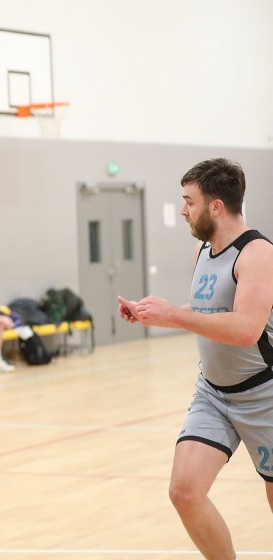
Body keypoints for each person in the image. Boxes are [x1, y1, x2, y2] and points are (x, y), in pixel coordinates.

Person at [117, 158, 273, 560]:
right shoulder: (202, 251)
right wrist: (153, 314)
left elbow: (245, 329)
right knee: (184, 492)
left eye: (189, 201)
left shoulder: (258, 254)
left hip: (264, 396)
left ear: (216, 206)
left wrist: (172, 315)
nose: (183, 210)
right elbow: (208, 312)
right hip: (214, 394)